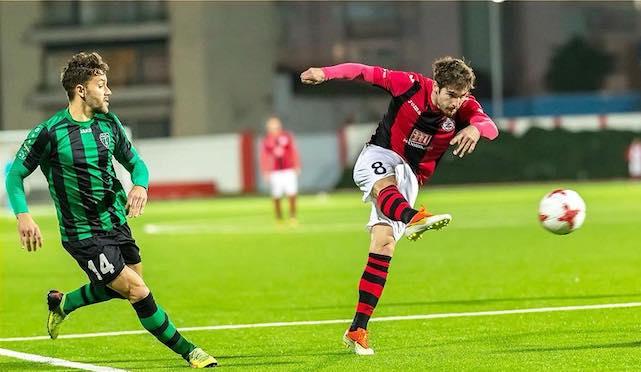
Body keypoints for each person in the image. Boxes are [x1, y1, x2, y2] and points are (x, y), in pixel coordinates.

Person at [4, 52, 217, 368]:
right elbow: (14, 175)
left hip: (116, 222)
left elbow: (136, 163)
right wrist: (23, 215)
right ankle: (190, 352)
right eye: (101, 85)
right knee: (138, 291)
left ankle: (63, 303)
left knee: (122, 289)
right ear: (81, 90)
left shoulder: (109, 123)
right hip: (83, 234)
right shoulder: (50, 132)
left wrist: (140, 185)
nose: (108, 92)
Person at [300, 57, 499, 355]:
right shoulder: (411, 85)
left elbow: (490, 127)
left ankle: (357, 329)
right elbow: (364, 72)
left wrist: (476, 130)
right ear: (437, 87)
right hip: (380, 154)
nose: (457, 102)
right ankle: (413, 217)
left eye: (462, 96)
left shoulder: (465, 107)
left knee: (383, 245)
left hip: (412, 177)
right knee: (385, 186)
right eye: (451, 95)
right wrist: (325, 73)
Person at [260, 115, 301, 224]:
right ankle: (279, 218)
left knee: (291, 193)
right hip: (275, 172)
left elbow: (293, 151)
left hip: (288, 169)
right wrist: (265, 171)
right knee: (276, 195)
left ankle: (293, 216)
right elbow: (264, 156)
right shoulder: (267, 140)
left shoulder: (287, 136)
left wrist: (297, 165)